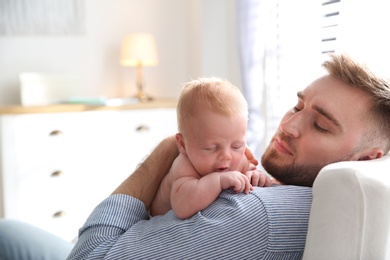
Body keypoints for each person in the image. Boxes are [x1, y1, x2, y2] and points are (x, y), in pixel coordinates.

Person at [0, 53, 389, 259]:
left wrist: (170, 149)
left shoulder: (258, 215)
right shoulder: (310, 192)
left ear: (366, 157)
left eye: (320, 125)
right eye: (297, 105)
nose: (288, 125)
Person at [150, 77, 272, 218]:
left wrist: (254, 175)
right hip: (155, 222)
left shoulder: (240, 158)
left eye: (237, 146)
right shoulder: (184, 165)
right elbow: (182, 208)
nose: (227, 155)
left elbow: (248, 169)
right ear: (183, 144)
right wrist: (218, 181)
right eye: (211, 148)